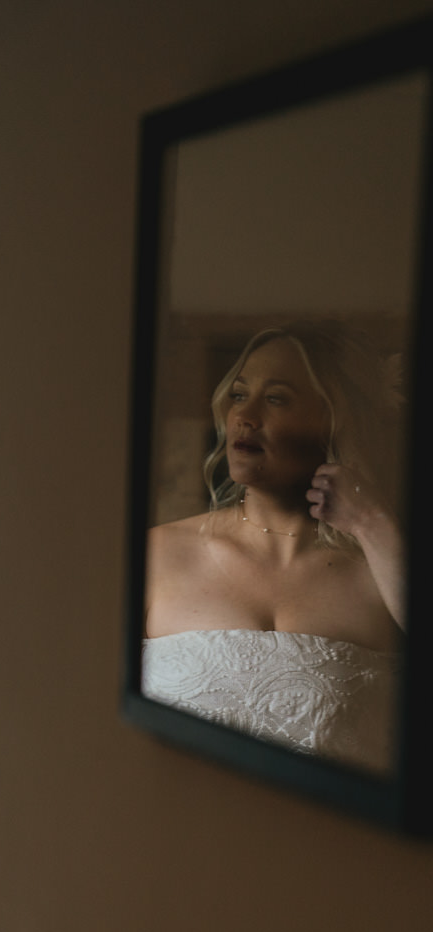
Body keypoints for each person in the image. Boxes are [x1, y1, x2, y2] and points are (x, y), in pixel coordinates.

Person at [144, 322, 405, 773]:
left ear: (333, 421)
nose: (245, 416)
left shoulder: (380, 571)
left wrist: (371, 520)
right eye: (240, 394)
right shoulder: (158, 553)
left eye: (277, 398)